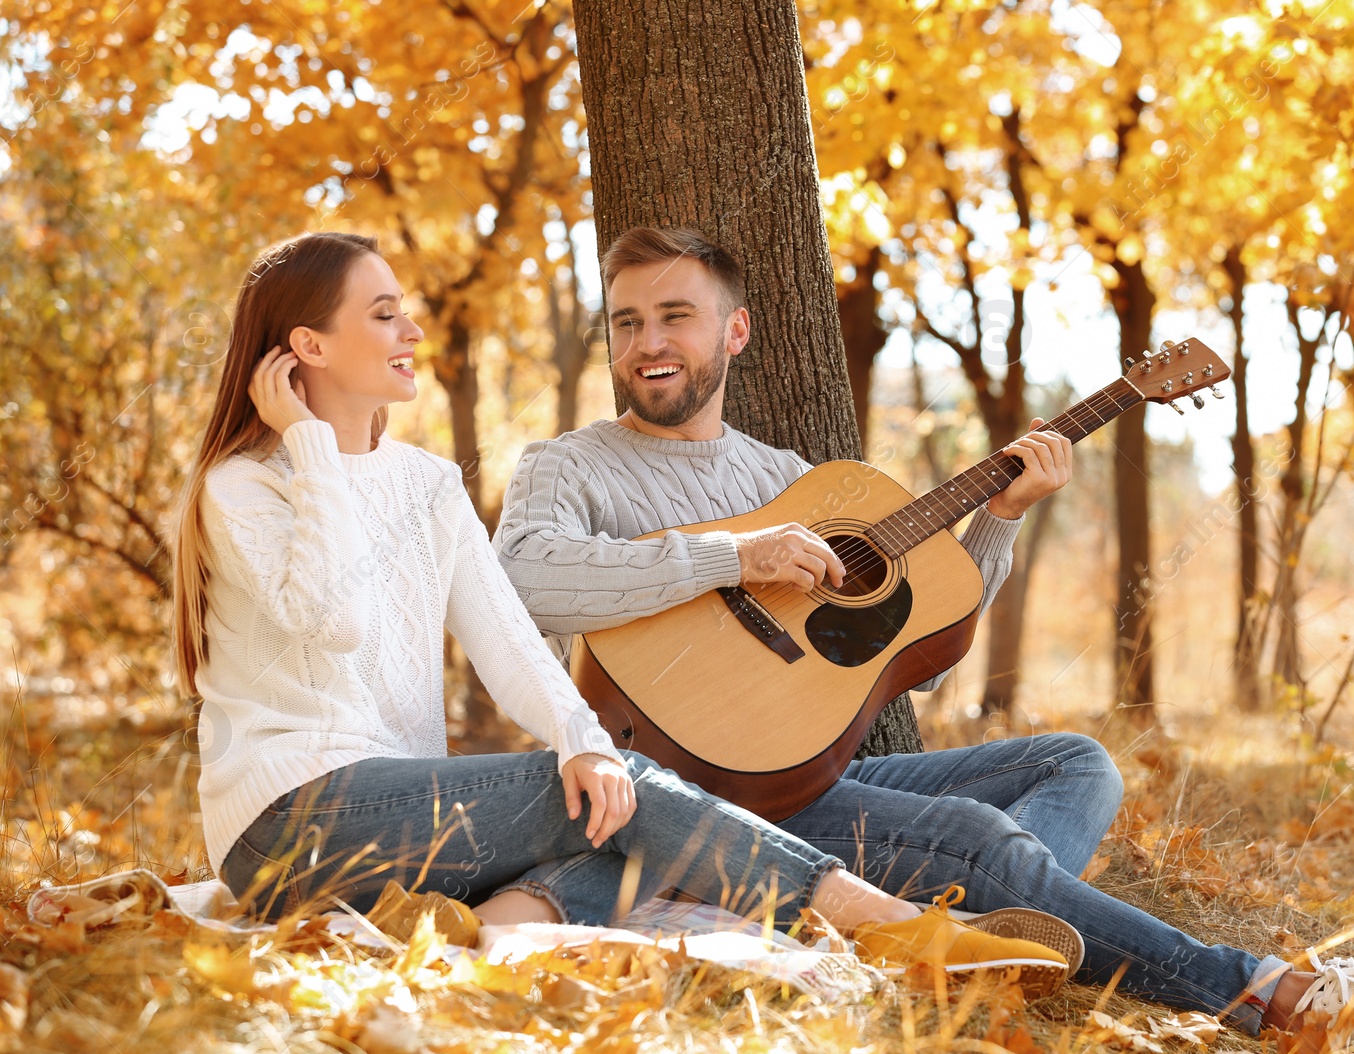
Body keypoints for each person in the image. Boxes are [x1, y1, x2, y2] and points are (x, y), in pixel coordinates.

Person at [491, 225, 1354, 1044]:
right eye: (627, 321)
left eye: (675, 316)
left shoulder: (792, 473)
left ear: (734, 329)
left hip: (800, 770)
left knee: (1075, 761)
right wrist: (729, 559)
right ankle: (1280, 998)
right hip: (669, 786)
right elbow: (523, 576)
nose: (648, 341)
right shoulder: (569, 464)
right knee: (972, 832)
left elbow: (902, 632)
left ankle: (977, 933)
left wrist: (1000, 514)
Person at [168, 230, 1081, 997]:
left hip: (406, 821)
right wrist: (311, 446)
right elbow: (336, 623)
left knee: (610, 799)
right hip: (288, 824)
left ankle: (468, 937)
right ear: (310, 348)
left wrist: (582, 737)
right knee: (623, 795)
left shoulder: (427, 482)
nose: (412, 328)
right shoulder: (245, 486)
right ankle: (881, 924)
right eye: (383, 314)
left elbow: (511, 643)